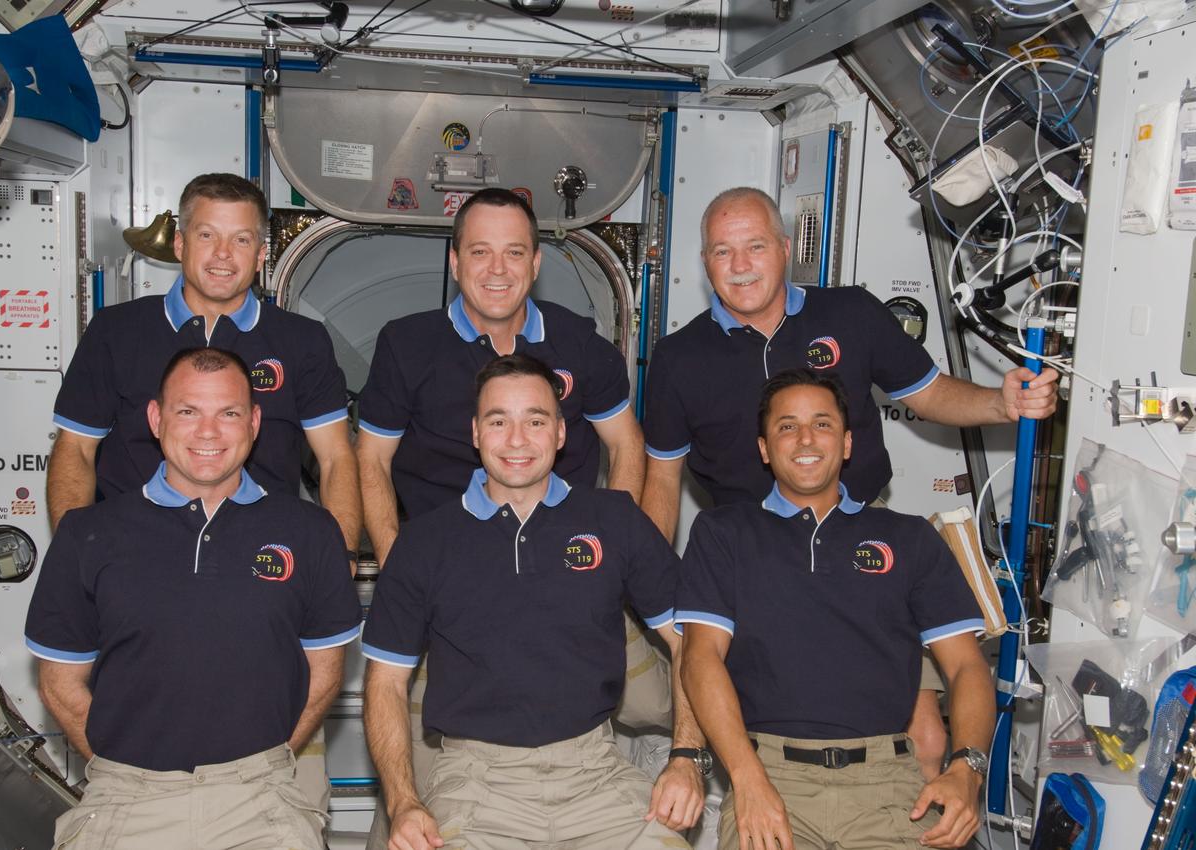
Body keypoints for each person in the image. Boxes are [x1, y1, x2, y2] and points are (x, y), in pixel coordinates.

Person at [641, 186, 1055, 776]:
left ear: (785, 249)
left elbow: (930, 392)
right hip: (748, 556)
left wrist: (1002, 404)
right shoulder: (679, 358)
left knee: (925, 735)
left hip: (862, 534)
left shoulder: (851, 313)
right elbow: (662, 479)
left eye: (755, 246)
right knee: (751, 719)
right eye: (722, 251)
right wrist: (653, 589)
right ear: (704, 263)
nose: (740, 266)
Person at [355, 188, 671, 847]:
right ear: (455, 260)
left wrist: (612, 553)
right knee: (413, 780)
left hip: (570, 562)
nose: (496, 269)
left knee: (668, 698)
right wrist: (403, 571)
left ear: (534, 265)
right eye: (480, 251)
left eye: (514, 252)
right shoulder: (407, 345)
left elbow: (625, 446)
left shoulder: (579, 343)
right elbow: (372, 461)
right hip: (450, 584)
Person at [45, 172, 360, 808]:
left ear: (263, 251)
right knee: (135, 788)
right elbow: (74, 452)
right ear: (180, 242)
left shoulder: (299, 342)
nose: (223, 254)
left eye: (241, 239)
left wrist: (336, 566)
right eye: (208, 235)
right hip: (139, 583)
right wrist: (84, 569)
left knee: (284, 795)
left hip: (263, 581)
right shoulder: (117, 332)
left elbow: (336, 460)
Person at [361, 354, 706, 850]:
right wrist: (403, 803)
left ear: (561, 434)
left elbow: (689, 642)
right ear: (476, 433)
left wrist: (687, 759)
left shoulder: (615, 520)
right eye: (499, 421)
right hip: (476, 784)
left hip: (596, 775)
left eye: (536, 421)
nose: (517, 440)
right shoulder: (423, 543)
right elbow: (386, 684)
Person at [25, 348, 364, 850]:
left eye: (227, 413)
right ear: (156, 420)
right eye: (189, 411)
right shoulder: (87, 534)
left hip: (262, 803)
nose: (209, 432)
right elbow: (59, 682)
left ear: (253, 423)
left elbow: (325, 671)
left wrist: (264, 766)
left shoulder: (310, 532)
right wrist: (126, 772)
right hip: (127, 803)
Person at [677, 368, 994, 850]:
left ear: (846, 443)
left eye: (822, 424)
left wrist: (966, 769)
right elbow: (701, 660)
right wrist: (747, 780)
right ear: (764, 449)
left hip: (888, 787)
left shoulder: (909, 538)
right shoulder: (724, 533)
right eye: (787, 426)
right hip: (770, 778)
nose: (805, 438)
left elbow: (968, 666)